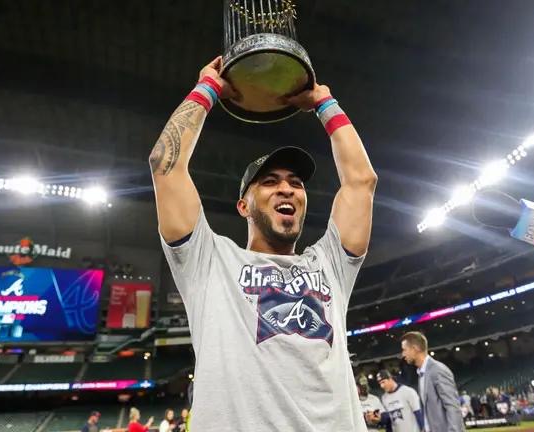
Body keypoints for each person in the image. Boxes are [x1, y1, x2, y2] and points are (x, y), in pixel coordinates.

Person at [150, 57, 377, 432]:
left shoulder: (330, 264)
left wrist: (324, 101)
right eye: (270, 182)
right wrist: (207, 88)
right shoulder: (210, 261)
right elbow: (165, 166)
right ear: (244, 206)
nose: (287, 188)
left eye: (296, 183)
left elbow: (361, 181)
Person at [400, 331, 464, 432]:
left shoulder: (437, 370)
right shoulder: (422, 373)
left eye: (404, 350)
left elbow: (453, 407)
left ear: (415, 349)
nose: (403, 354)